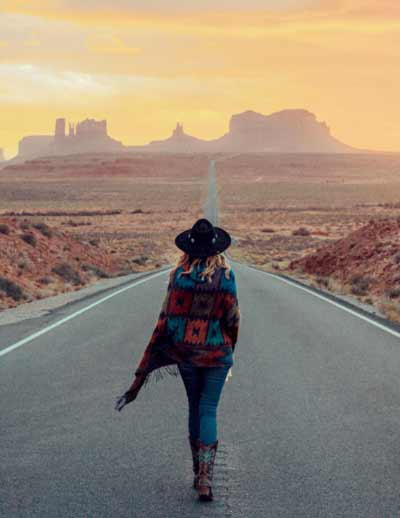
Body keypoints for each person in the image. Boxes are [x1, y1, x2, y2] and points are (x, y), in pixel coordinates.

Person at [114, 218, 240, 502]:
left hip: (187, 355)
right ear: (217, 249)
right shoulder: (227, 276)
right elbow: (232, 318)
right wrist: (229, 346)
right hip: (218, 355)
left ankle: (198, 471)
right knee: (209, 409)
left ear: (188, 249)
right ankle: (207, 478)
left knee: (194, 408)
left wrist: (167, 349)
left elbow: (167, 318)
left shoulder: (178, 276)